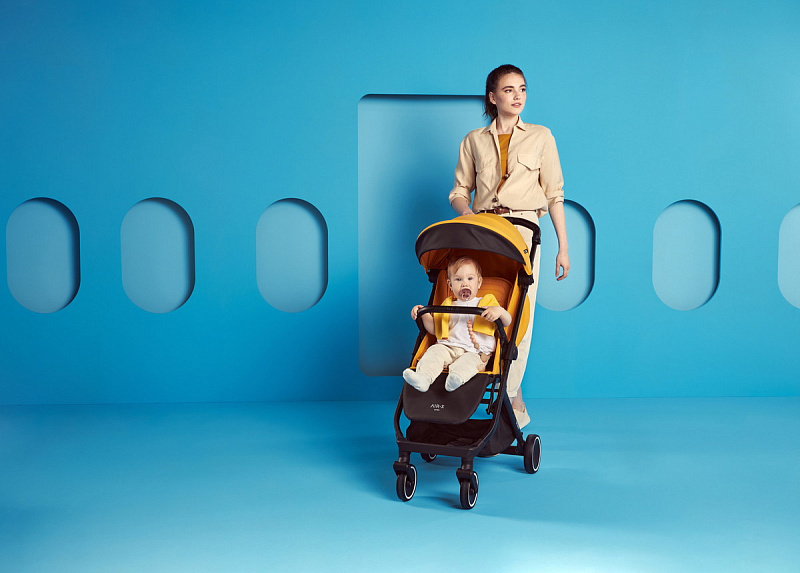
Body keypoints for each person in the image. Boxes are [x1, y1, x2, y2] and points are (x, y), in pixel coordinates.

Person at [448, 64, 570, 429]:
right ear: (492, 96)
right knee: (480, 303)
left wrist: (564, 247)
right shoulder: (473, 140)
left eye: (522, 89)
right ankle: (469, 375)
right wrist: (467, 214)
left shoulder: (541, 136)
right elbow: (459, 191)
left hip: (524, 229)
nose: (518, 96)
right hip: (484, 228)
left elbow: (555, 194)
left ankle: (511, 393)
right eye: (508, 90)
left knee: (520, 312)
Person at [403, 256, 511, 393]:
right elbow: (435, 329)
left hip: (475, 352)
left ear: (479, 282)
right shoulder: (448, 305)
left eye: (470, 278)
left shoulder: (487, 303)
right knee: (433, 353)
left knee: (468, 363)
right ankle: (424, 378)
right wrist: (423, 313)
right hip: (448, 347)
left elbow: (507, 322)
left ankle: (456, 378)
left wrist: (499, 312)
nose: (464, 283)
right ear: (450, 285)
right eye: (458, 279)